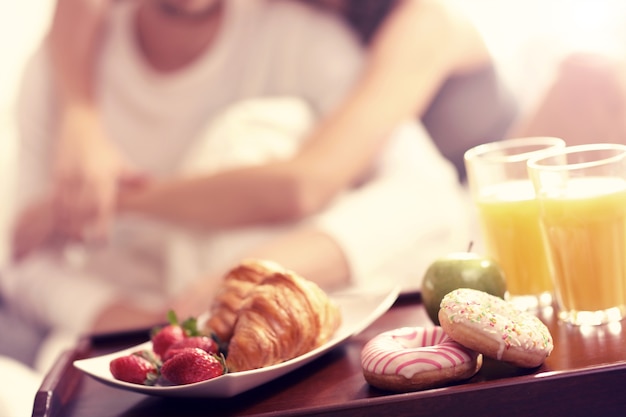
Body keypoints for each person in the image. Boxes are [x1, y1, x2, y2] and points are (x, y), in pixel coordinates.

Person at [1, 0, 472, 348]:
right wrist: (144, 318)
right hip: (135, 328)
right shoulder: (57, 70)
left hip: (275, 312)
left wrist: (231, 284)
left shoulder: (299, 38)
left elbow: (424, 193)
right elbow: (25, 258)